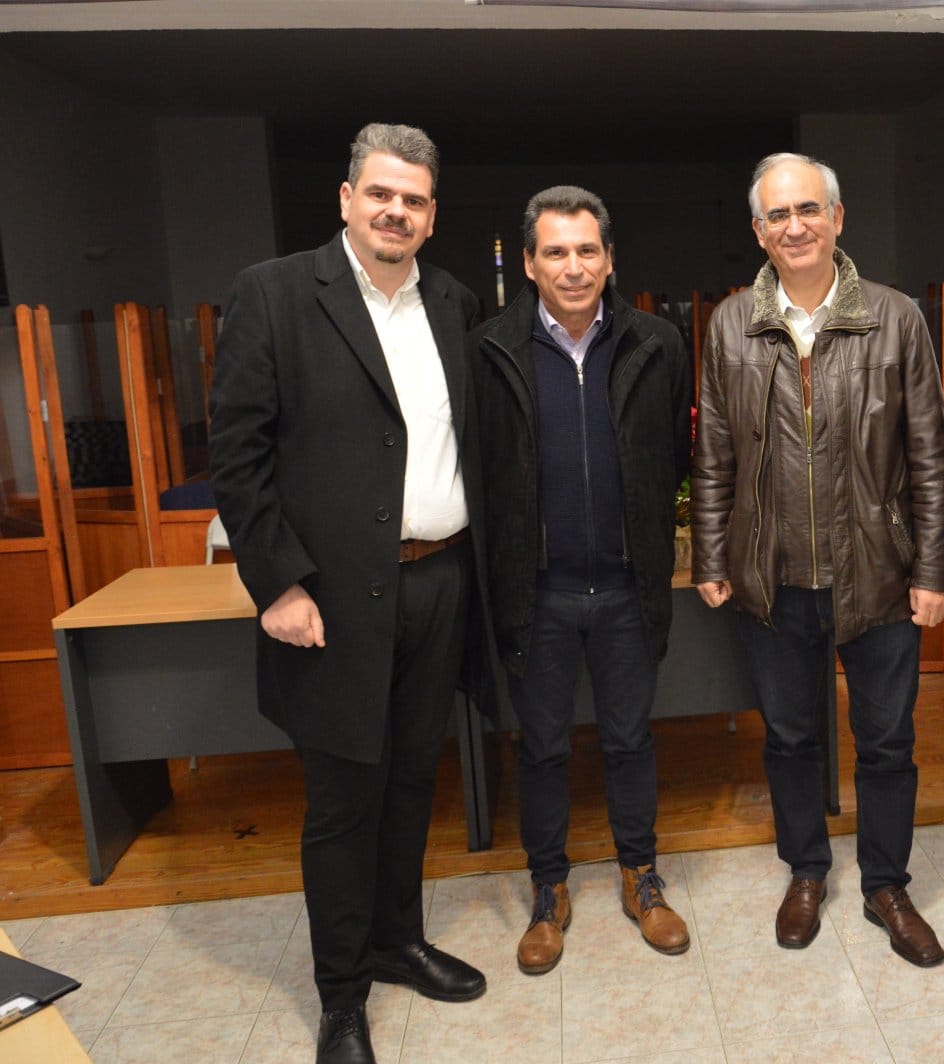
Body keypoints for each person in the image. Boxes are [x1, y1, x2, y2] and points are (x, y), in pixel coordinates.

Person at [210, 123, 493, 1064]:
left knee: (413, 780)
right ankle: (341, 998)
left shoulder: (451, 301)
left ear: (432, 216)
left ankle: (397, 940)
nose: (395, 212)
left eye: (413, 199)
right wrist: (278, 584)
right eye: (380, 193)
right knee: (343, 802)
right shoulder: (274, 294)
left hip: (439, 583)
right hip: (328, 602)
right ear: (346, 198)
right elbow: (237, 457)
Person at [691, 152, 944, 967]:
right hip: (771, 579)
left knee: (887, 743)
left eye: (809, 209)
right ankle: (806, 871)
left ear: (837, 218)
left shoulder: (894, 317)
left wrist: (933, 572)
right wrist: (711, 555)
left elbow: (931, 455)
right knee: (789, 740)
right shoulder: (730, 325)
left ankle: (886, 885)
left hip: (878, 575)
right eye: (778, 214)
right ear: (758, 231)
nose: (795, 226)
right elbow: (714, 455)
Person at [472, 185, 693, 975]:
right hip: (537, 594)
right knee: (542, 750)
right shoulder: (488, 350)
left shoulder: (657, 344)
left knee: (631, 740)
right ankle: (548, 888)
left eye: (587, 250)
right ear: (531, 263)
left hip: (628, 589)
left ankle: (641, 876)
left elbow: (672, 456)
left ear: (609, 259)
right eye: (556, 252)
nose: (574, 267)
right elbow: (482, 471)